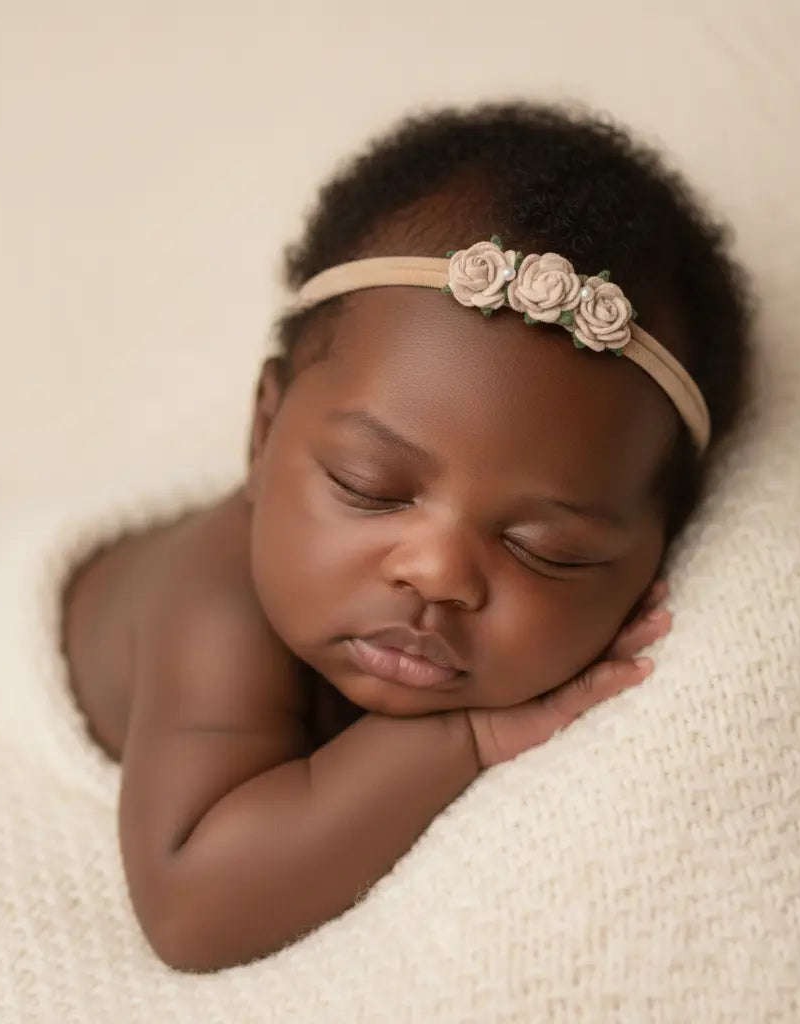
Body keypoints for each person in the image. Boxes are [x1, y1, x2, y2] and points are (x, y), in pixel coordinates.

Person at [62, 102, 751, 971]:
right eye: (369, 488)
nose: (438, 571)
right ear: (264, 428)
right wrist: (459, 741)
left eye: (547, 548)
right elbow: (192, 909)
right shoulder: (218, 602)